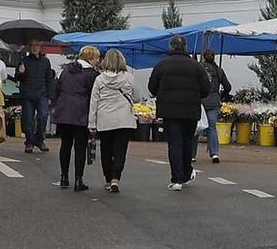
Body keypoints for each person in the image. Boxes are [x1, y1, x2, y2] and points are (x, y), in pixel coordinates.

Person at [147, 38, 209, 190]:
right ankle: (186, 173)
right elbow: (206, 89)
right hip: (191, 110)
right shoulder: (196, 66)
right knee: (187, 142)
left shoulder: (162, 65)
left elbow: (152, 87)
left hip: (170, 111)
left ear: (171, 47)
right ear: (185, 47)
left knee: (174, 144)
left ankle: (176, 179)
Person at [88, 49, 140, 193]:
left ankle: (108, 179)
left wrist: (91, 123)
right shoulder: (129, 78)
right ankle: (115, 179)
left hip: (105, 120)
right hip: (124, 120)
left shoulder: (99, 79)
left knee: (106, 150)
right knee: (120, 151)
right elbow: (137, 97)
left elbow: (94, 102)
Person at [50, 45, 99, 190]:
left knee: (65, 145)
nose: (98, 60)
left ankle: (64, 177)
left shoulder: (66, 70)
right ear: (90, 58)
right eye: (96, 58)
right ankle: (78, 179)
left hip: (64, 110)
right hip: (81, 112)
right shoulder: (92, 75)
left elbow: (57, 89)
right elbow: (94, 95)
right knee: (80, 147)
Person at [15, 41, 54, 155]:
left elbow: (49, 79)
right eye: (32, 45)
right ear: (29, 47)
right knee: (28, 119)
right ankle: (29, 142)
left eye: (37, 45)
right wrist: (21, 72)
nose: (34, 48)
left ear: (40, 47)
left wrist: (50, 96)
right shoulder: (24, 60)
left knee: (43, 116)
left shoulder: (46, 61)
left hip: (42, 94)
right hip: (27, 94)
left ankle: (40, 140)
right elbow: (17, 77)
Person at [197, 48, 232, 164]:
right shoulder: (219, 70)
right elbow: (228, 87)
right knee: (212, 127)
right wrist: (220, 95)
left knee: (196, 127)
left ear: (203, 57)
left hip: (200, 102)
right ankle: (214, 153)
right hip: (214, 102)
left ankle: (192, 155)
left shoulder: (199, 68)